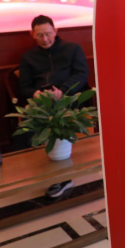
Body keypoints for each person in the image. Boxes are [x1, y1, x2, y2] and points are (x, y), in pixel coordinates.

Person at [17, 15, 89, 198]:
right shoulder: (28, 57)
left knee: (57, 119)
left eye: (48, 34)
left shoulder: (72, 48)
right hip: (41, 103)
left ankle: (62, 178)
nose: (45, 39)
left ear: (55, 31)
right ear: (32, 34)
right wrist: (36, 94)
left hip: (69, 98)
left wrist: (62, 91)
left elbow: (82, 74)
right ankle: (30, 175)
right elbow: (24, 86)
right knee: (25, 129)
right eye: (40, 35)